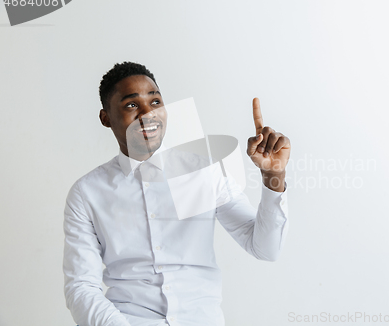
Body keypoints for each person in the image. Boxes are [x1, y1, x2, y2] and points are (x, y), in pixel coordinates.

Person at [63, 61, 291, 326]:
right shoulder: (87, 193)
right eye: (132, 105)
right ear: (106, 118)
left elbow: (266, 248)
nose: (148, 114)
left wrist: (274, 176)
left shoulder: (204, 170)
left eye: (156, 102)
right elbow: (81, 287)